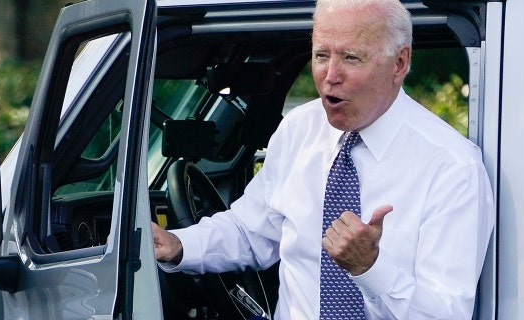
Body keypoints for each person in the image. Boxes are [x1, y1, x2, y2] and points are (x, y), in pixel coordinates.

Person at [152, 0, 495, 318]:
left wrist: (371, 268)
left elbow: (447, 313)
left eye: (351, 58)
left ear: (399, 63)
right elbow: (250, 230)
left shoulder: (452, 167)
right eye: (320, 56)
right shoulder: (299, 129)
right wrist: (179, 244)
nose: (330, 75)